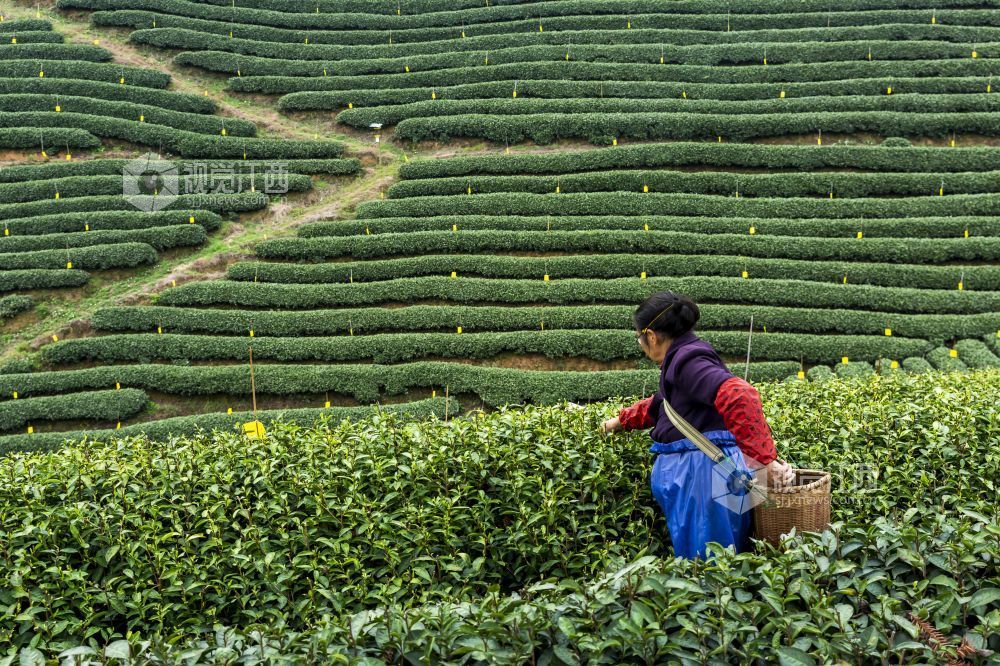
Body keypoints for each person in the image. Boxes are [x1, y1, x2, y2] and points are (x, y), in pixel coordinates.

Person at [601, 291, 795, 559]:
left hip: (703, 477)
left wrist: (765, 462)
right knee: (723, 554)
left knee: (709, 563)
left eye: (639, 337)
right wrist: (620, 421)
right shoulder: (682, 359)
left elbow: (740, 396)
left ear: (652, 336)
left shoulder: (687, 361)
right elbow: (664, 404)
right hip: (711, 473)